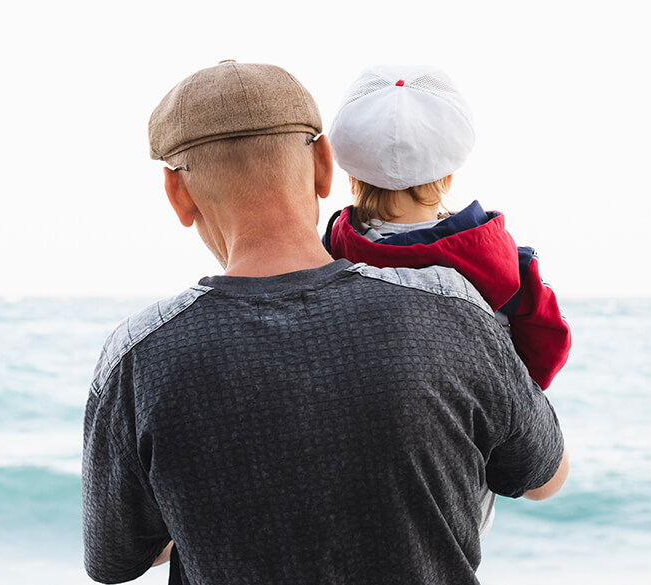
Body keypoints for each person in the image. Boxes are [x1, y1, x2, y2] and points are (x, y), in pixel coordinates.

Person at [82, 60, 569, 585]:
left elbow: (115, 561)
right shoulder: (455, 310)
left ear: (177, 194)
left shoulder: (139, 357)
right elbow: (543, 477)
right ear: (322, 165)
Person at [322, 65, 571, 392]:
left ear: (351, 176)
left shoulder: (331, 254)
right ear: (448, 175)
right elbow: (546, 350)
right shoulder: (508, 263)